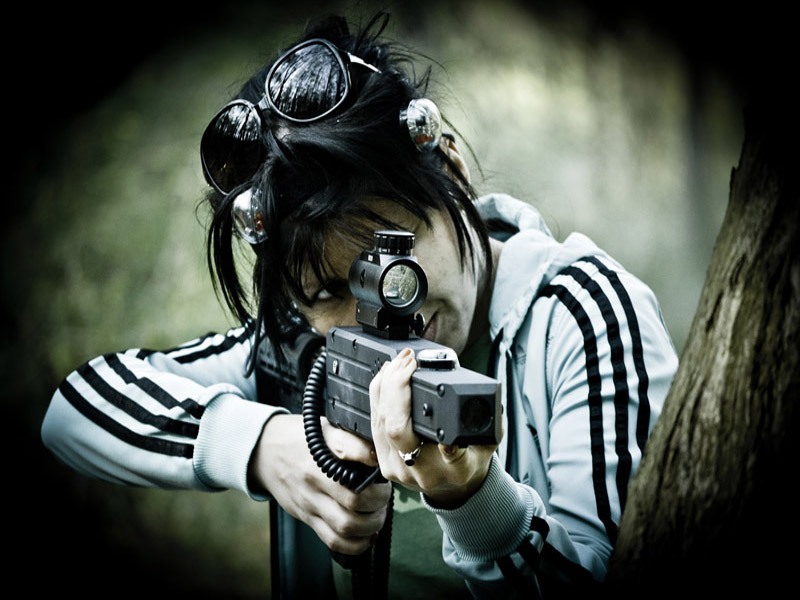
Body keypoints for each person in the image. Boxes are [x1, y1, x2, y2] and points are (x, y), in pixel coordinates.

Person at [41, 12, 678, 599]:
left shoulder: (582, 315)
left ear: (451, 169)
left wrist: (474, 503)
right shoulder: (302, 347)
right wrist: (267, 448)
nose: (376, 311)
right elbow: (75, 410)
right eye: (326, 293)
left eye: (393, 258)